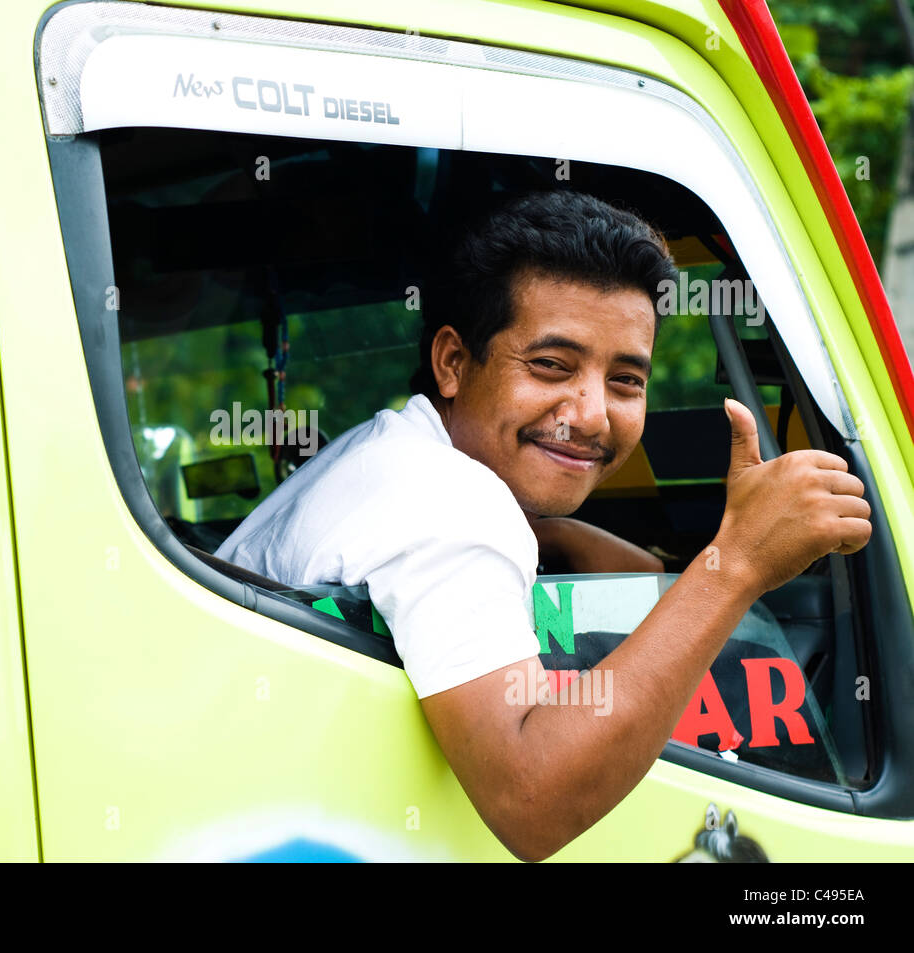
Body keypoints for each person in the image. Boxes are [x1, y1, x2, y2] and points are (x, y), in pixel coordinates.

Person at [215, 190, 871, 861]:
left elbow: (644, 584)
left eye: (625, 381)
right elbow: (531, 800)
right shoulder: (452, 503)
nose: (589, 414)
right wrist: (735, 566)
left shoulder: (393, 454)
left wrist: (551, 533)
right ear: (452, 362)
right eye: (552, 366)